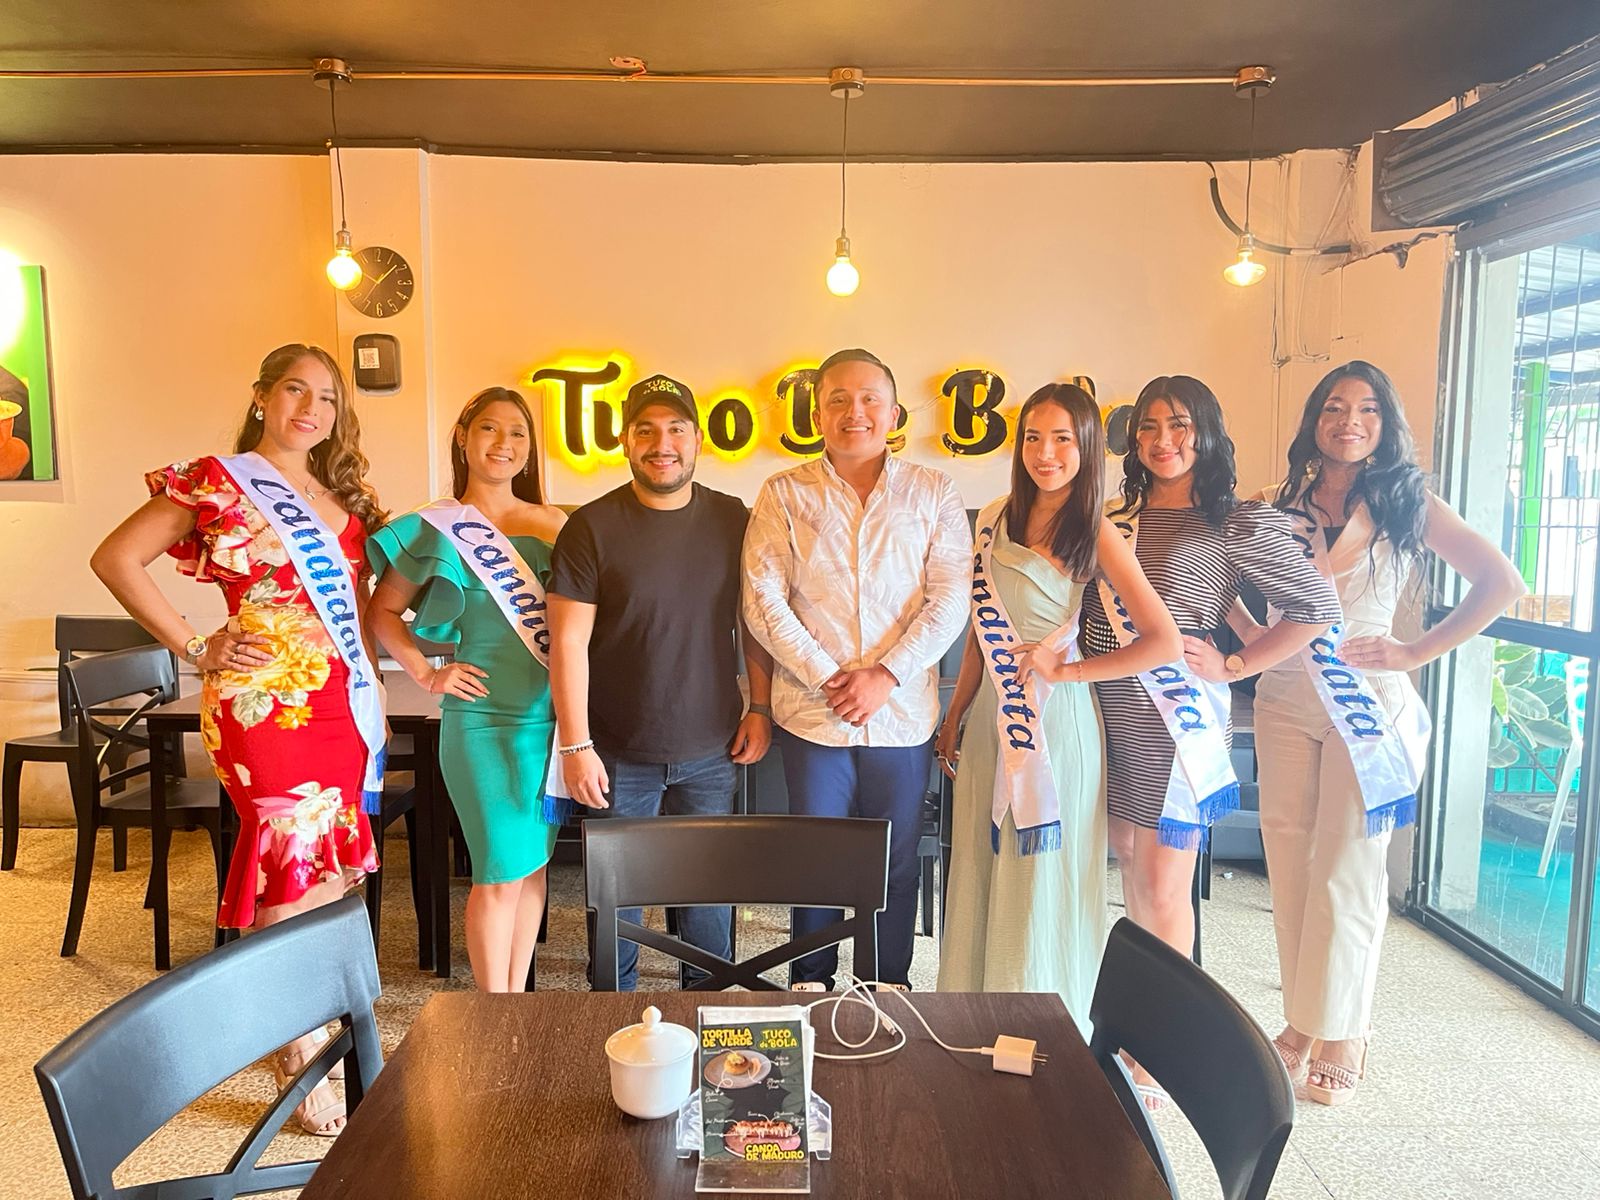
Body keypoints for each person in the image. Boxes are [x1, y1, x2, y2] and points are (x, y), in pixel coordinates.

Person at [90, 344, 387, 1136]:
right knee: (288, 860)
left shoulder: (337, 495)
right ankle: (295, 1047)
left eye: (327, 398)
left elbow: (356, 605)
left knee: (328, 866)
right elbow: (116, 558)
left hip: (339, 700)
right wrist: (196, 645)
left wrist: (373, 685)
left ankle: (314, 1022)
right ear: (261, 396)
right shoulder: (216, 480)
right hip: (262, 706)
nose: (312, 409)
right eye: (295, 389)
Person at [1244, 361, 1524, 1105]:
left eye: (1367, 409)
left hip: (1366, 703)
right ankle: (1304, 1020)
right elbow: (1243, 591)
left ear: (1385, 423)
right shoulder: (1279, 503)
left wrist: (1414, 652)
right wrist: (1242, 644)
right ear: (1314, 420)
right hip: (1285, 696)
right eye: (1335, 407)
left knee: (1349, 866)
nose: (1349, 422)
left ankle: (1346, 1032)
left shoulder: (1409, 502)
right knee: (1293, 862)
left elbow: (1501, 582)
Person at [1077, 374, 1341, 1105]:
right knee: (1135, 876)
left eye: (1180, 425)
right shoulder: (1118, 517)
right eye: (1150, 426)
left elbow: (1317, 606)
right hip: (1112, 714)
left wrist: (1237, 663)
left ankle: (1162, 1049)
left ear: (1208, 433)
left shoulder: (1237, 521)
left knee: (1165, 885)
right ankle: (1139, 1026)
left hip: (1178, 722)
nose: (1163, 440)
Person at [935, 383, 1180, 1032]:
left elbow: (1163, 641)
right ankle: (971, 1019)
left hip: (1059, 727)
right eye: (1034, 438)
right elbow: (980, 635)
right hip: (991, 723)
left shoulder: (1095, 529)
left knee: (1042, 876)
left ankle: (1040, 1028)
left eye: (1063, 439)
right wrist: (954, 714)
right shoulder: (995, 517)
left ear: (1088, 446)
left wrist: (1069, 670)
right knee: (982, 865)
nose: (1046, 453)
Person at [743, 347, 971, 991]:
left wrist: (886, 675)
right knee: (815, 858)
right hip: (813, 713)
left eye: (870, 399)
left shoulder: (933, 492)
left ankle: (885, 985)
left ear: (894, 414)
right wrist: (829, 677)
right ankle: (811, 981)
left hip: (901, 716)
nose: (855, 412)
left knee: (894, 860)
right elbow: (762, 599)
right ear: (817, 414)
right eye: (838, 400)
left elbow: (950, 596)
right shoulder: (783, 493)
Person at [548, 373, 772, 991]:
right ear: (625, 441)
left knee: (707, 901)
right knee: (616, 906)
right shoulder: (590, 526)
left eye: (676, 429)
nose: (662, 444)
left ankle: (707, 1011)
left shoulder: (732, 519)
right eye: (645, 431)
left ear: (698, 440)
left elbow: (753, 620)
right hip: (617, 751)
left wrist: (760, 706)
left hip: (712, 747)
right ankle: (610, 1016)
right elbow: (568, 642)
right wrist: (575, 744)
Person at [367, 387, 567, 993]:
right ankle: (492, 1010)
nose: (503, 444)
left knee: (532, 869)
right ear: (462, 437)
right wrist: (427, 673)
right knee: (497, 872)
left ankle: (515, 1004)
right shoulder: (437, 527)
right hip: (479, 723)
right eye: (489, 429)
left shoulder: (554, 524)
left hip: (547, 721)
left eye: (518, 433)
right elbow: (381, 613)